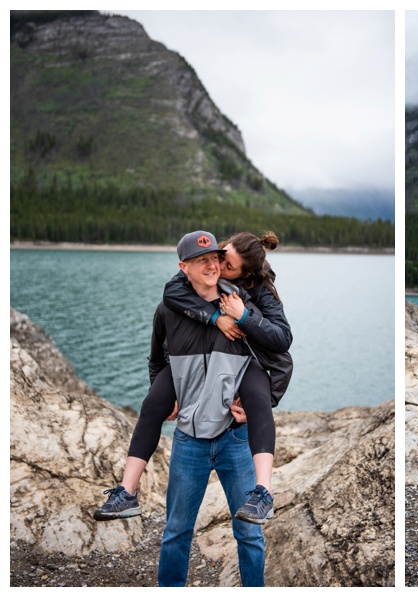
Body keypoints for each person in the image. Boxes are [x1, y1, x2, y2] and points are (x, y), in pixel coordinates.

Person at [92, 231, 292, 527]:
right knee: (153, 403)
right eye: (218, 256)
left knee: (258, 397)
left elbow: (282, 345)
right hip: (194, 376)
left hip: (242, 364)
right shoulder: (180, 290)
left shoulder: (255, 295)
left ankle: (264, 493)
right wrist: (215, 317)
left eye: (227, 266)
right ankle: (126, 492)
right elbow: (169, 298)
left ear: (244, 276)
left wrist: (242, 317)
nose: (218, 266)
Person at [152, 230, 266, 585]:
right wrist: (164, 394)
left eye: (215, 258)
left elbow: (271, 355)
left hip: (235, 439)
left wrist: (262, 399)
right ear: (183, 267)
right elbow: (156, 360)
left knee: (250, 532)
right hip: (190, 441)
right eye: (202, 260)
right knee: (177, 531)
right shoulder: (170, 308)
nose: (212, 264)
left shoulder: (238, 304)